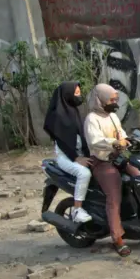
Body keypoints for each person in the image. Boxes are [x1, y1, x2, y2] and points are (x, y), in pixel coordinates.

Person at [83, 84, 140, 257]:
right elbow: (95, 141)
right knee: (113, 196)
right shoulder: (92, 119)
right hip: (102, 162)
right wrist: (114, 143)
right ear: (100, 100)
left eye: (116, 99)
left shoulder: (112, 117)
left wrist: (127, 140)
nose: (115, 102)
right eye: (111, 99)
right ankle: (117, 239)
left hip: (118, 157)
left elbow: (121, 133)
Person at [43, 81, 93, 224]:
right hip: (66, 157)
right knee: (84, 173)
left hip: (79, 153)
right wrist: (76, 158)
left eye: (79, 93)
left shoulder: (74, 111)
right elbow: (61, 142)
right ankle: (77, 210)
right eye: (76, 93)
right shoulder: (57, 116)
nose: (79, 96)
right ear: (67, 95)